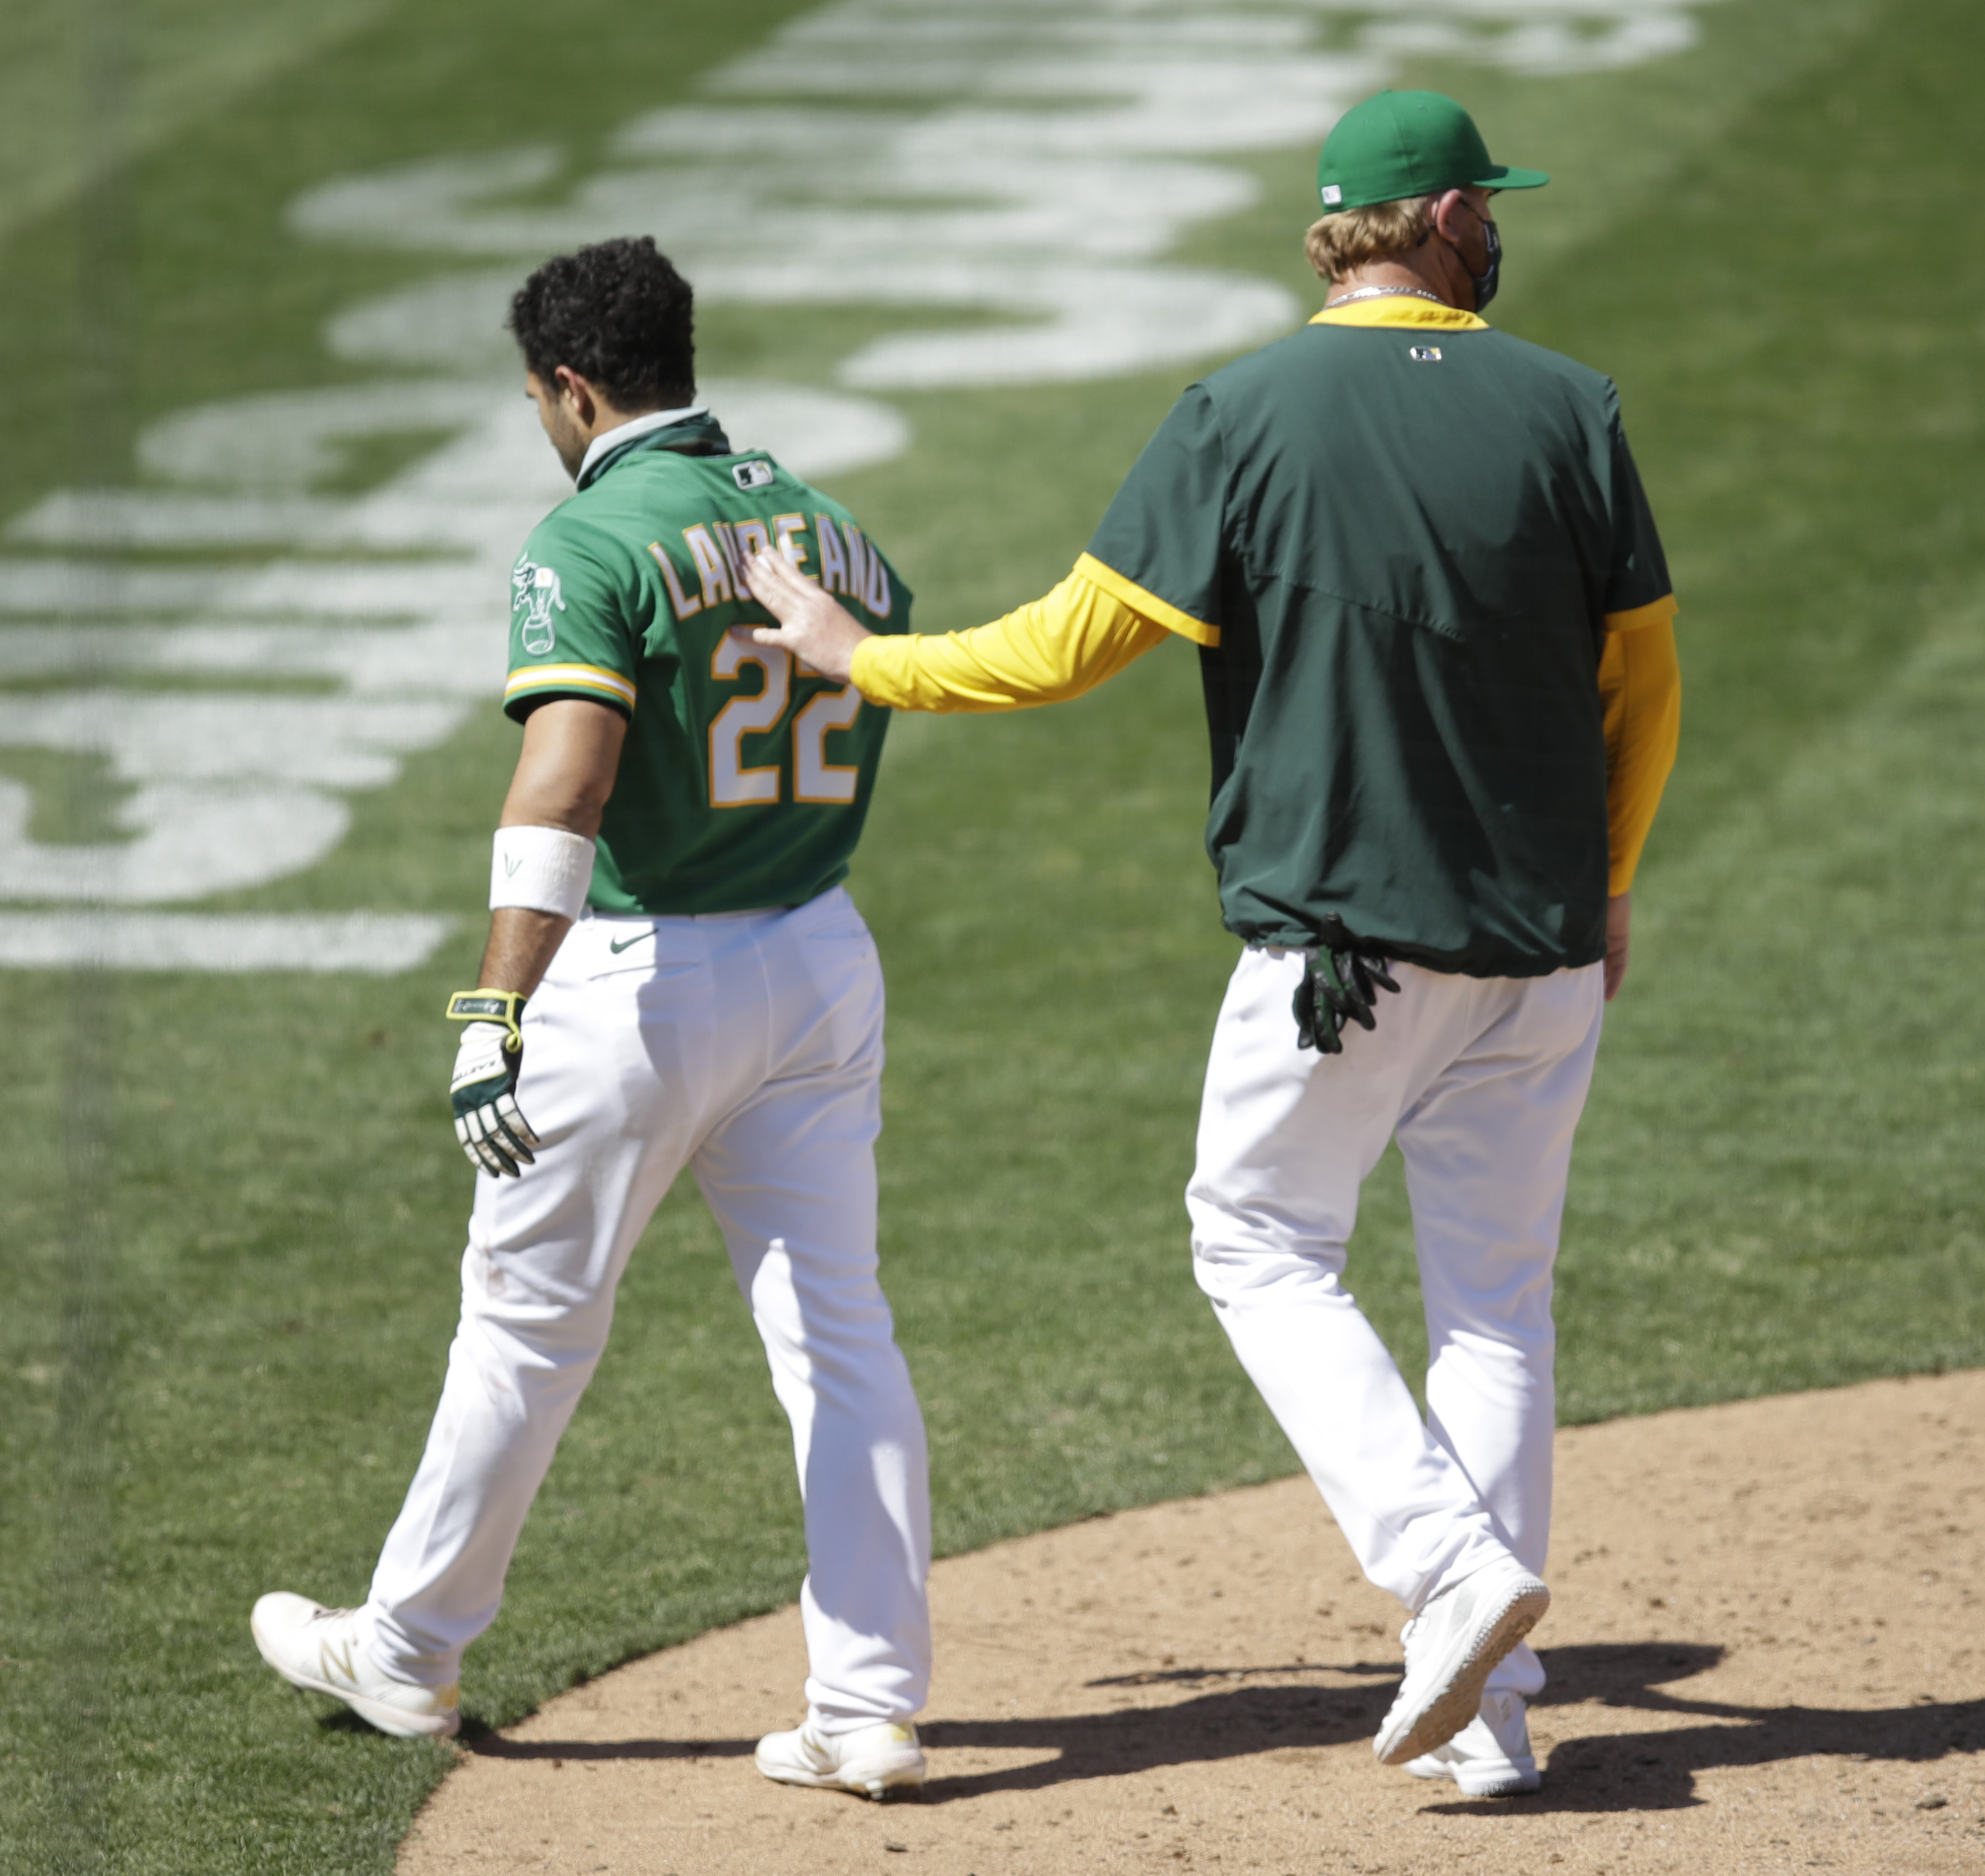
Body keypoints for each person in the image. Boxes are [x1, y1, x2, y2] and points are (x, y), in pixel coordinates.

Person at [742, 91, 1681, 1800]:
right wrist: (1609, 875)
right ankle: (1490, 1709)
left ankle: (1445, 1571)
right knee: (1496, 1305)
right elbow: (1650, 677)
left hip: (1341, 950)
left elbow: (1059, 647)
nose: (1501, 232)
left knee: (1257, 1233)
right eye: (1492, 209)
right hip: (1541, 944)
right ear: (1450, 219)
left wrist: (853, 654)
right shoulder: (1568, 404)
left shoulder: (1242, 412)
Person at [252, 235, 937, 1803]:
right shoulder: (827, 522)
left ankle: (410, 1653)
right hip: (821, 958)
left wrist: (496, 998)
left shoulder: (591, 538)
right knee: (839, 1336)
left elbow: (563, 777)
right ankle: (871, 1704)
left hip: (641, 983)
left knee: (526, 1326)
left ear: (570, 387)